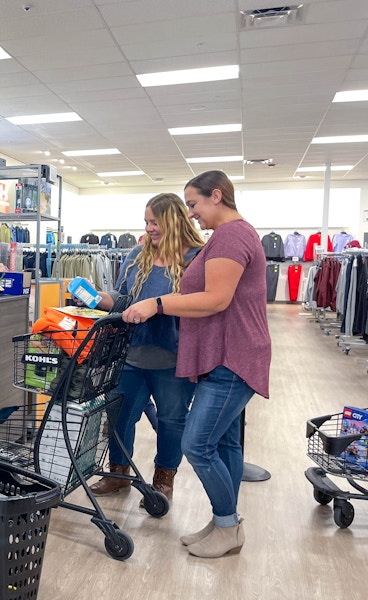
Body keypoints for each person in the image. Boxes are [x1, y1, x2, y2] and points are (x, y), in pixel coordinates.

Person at [122, 170, 271, 559]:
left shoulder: (231, 236)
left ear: (216, 196)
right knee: (224, 442)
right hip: (226, 355)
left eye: (194, 204)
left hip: (232, 357)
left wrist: (158, 303)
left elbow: (217, 299)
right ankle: (224, 521)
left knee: (197, 444)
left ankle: (229, 525)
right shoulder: (228, 237)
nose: (191, 214)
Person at [88, 193, 205, 506]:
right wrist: (97, 297)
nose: (149, 228)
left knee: (171, 421)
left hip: (174, 358)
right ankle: (118, 475)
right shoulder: (137, 255)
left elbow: (203, 306)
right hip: (131, 355)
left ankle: (163, 481)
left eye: (155, 222)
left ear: (175, 221)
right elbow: (123, 299)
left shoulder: (197, 258)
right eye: (146, 222)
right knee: (119, 416)